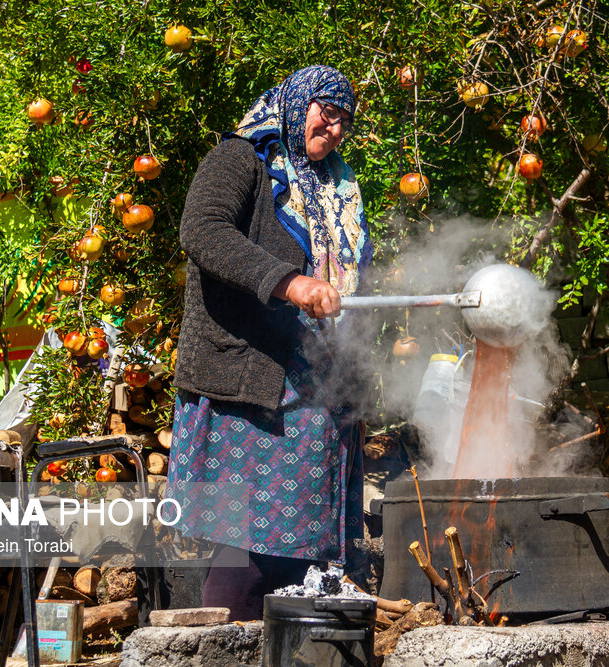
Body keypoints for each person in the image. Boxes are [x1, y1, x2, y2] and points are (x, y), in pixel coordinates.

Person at [166, 65, 371, 620]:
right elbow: (202, 231)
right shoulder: (240, 159)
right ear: (299, 101)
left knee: (302, 549)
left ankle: (281, 649)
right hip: (249, 381)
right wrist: (291, 283)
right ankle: (220, 650)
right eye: (327, 112)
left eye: (344, 122)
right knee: (248, 543)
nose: (334, 130)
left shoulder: (339, 187)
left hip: (313, 386)